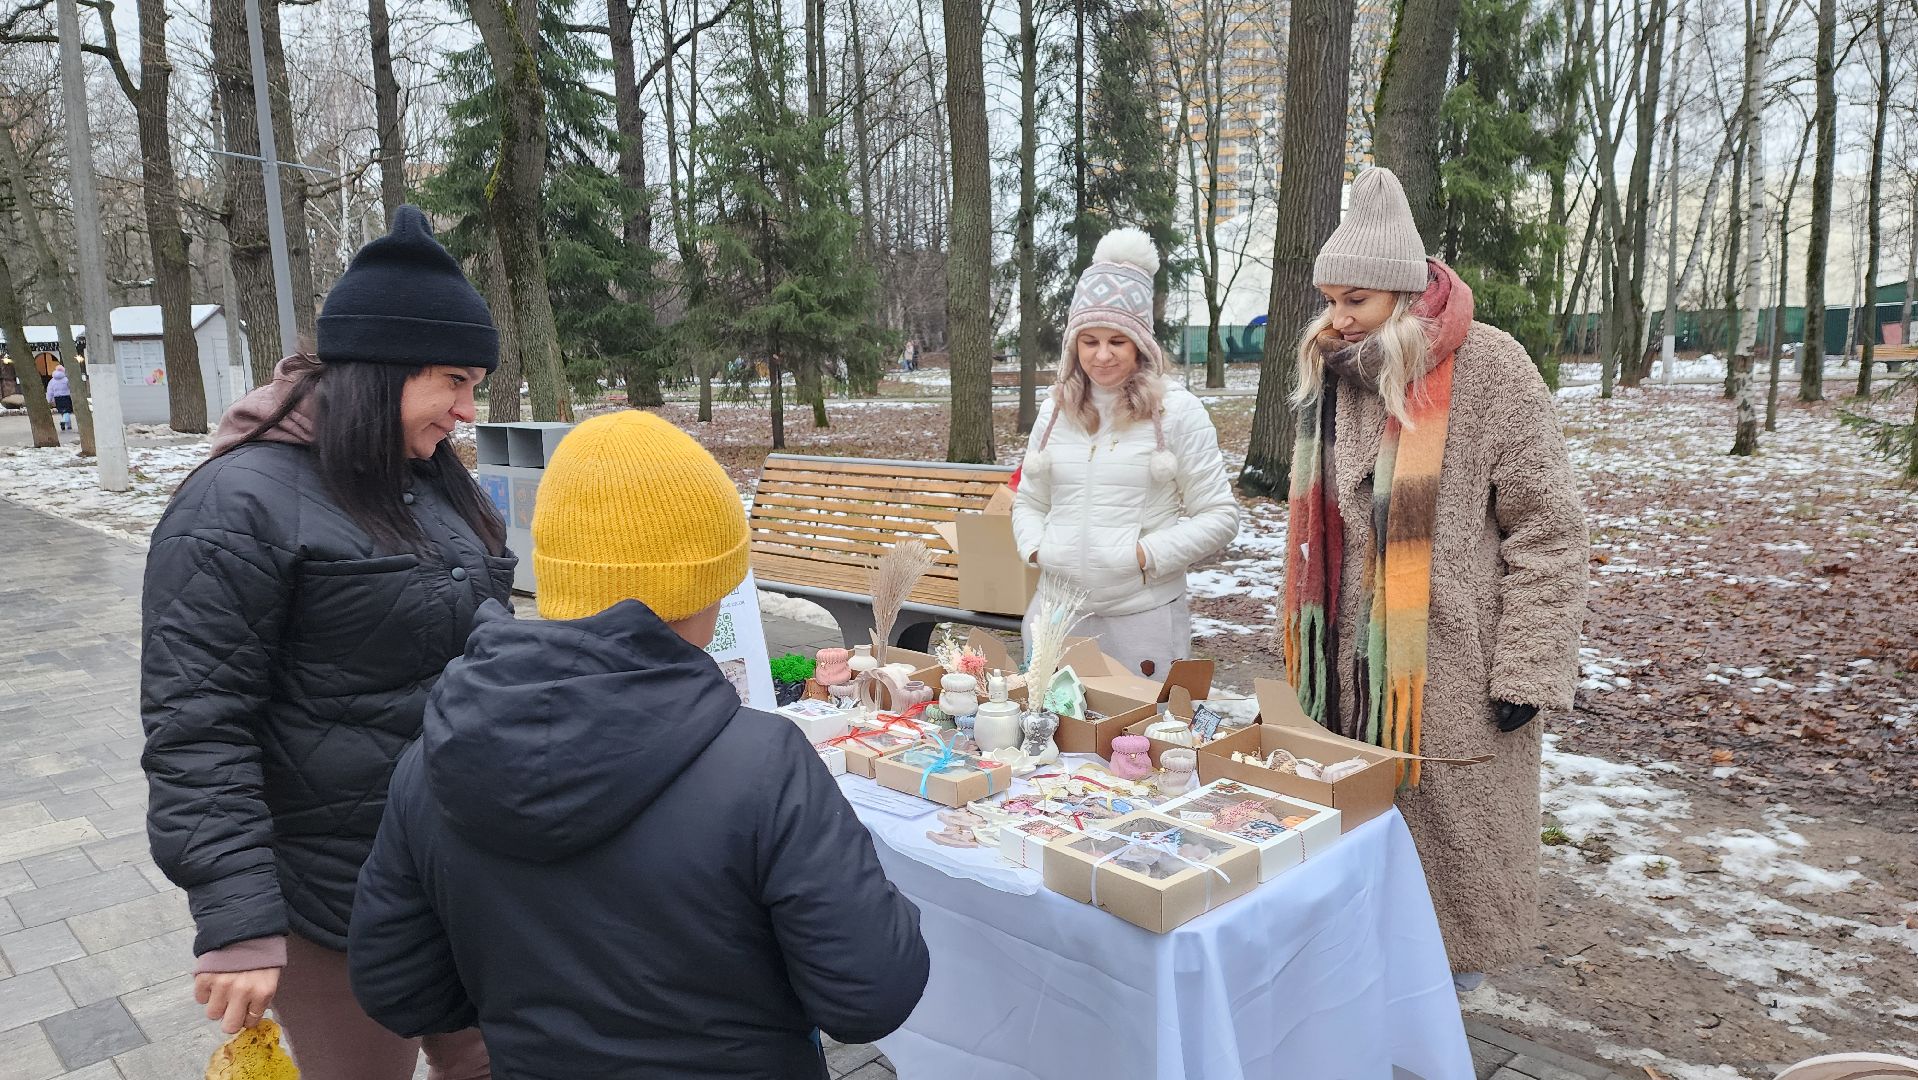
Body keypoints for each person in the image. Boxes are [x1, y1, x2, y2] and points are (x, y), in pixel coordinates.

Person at [350, 410, 930, 1079]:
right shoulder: (764, 765)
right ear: (709, 585)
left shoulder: (431, 762)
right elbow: (871, 994)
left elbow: (398, 986)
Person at [140, 205, 509, 1080]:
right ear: (379, 375)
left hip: (463, 877)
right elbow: (198, 726)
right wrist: (236, 917)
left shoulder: (435, 480)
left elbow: (482, 650)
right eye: (452, 381)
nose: (465, 409)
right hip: (332, 904)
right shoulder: (235, 506)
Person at [1278, 167, 1587, 985]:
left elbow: (1549, 528)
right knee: (1353, 888)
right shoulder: (1331, 378)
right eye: (1330, 299)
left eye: (1356, 301)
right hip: (1345, 682)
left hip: (1453, 678)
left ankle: (1438, 1039)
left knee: (1449, 895)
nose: (1336, 319)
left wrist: (1526, 665)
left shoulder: (1493, 369)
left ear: (1403, 295)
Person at [1011, 227, 1241, 678]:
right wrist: (1037, 549)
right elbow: (1031, 500)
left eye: (1117, 341)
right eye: (1089, 340)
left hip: (1142, 617)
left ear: (1140, 342)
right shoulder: (1055, 412)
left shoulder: (1178, 412)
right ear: (1073, 345)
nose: (1102, 356)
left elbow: (1219, 515)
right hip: (1056, 613)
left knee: (1138, 742)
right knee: (1049, 736)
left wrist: (1144, 556)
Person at [45, 363, 72, 431]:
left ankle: (68, 425)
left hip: (57, 398)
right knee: (67, 411)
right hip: (66, 396)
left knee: (63, 411)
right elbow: (71, 388)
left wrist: (49, 400)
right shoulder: (66, 379)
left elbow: (50, 391)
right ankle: (64, 422)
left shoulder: (52, 381)